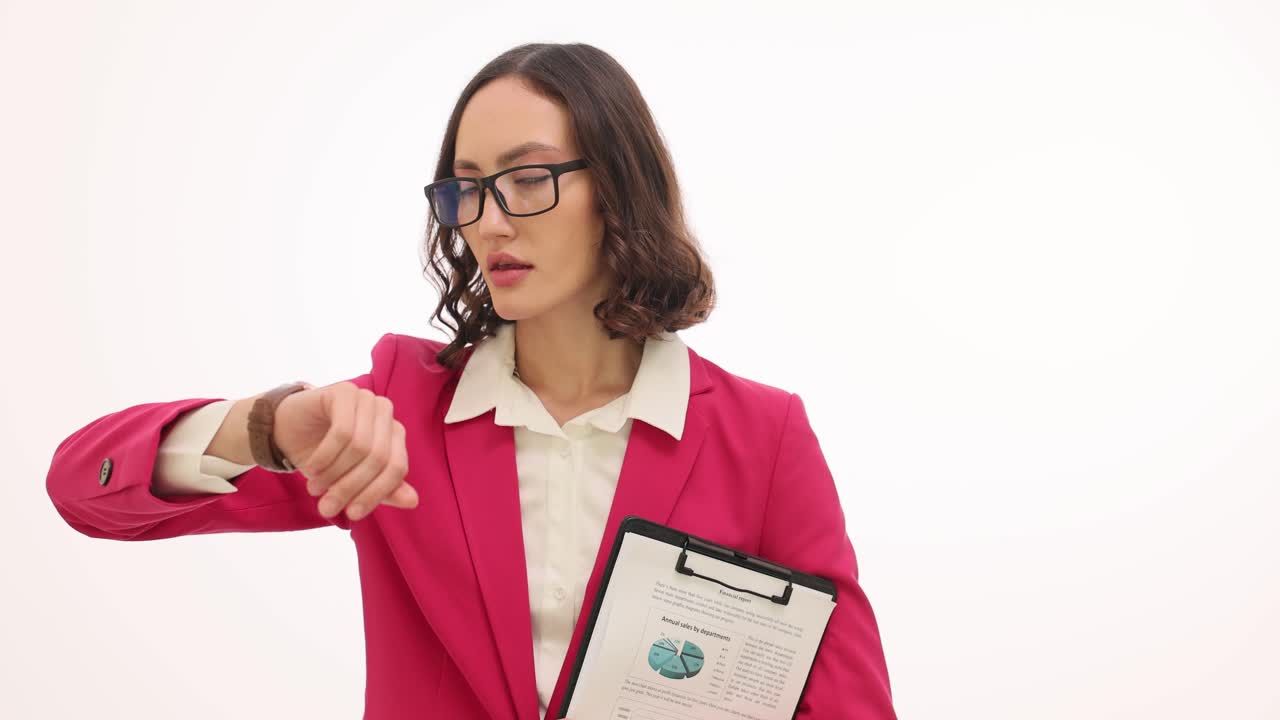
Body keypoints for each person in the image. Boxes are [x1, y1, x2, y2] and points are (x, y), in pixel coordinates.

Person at [45, 42, 896, 720]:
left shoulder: (763, 437)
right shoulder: (396, 414)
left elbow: (850, 704)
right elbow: (84, 489)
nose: (487, 221)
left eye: (527, 179)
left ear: (618, 189)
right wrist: (267, 426)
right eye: (467, 188)